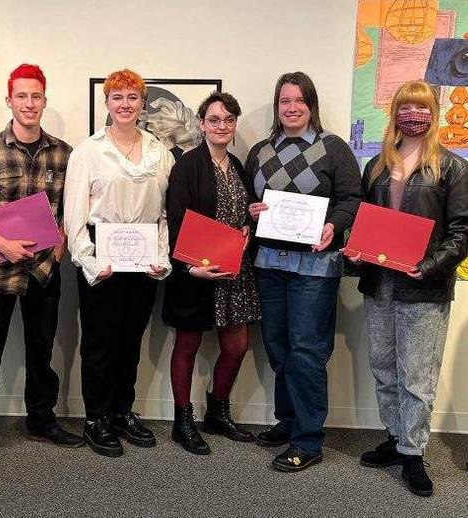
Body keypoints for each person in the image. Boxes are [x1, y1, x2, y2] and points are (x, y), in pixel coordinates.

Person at [0, 63, 84, 469]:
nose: (29, 103)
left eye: (36, 96)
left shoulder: (65, 153)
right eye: (22, 96)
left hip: (45, 272)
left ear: (45, 100)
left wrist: (65, 236)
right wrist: (1, 242)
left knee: (41, 352)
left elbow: (73, 207)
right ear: (9, 100)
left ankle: (41, 420)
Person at [349, 80, 468, 497]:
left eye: (421, 108)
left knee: (417, 375)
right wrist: (354, 247)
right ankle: (395, 437)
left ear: (433, 113)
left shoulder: (452, 167)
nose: (412, 115)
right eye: (405, 108)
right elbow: (364, 221)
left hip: (424, 288)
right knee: (384, 368)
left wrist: (429, 266)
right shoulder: (377, 166)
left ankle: (414, 452)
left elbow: (461, 231)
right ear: (395, 113)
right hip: (379, 284)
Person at [245, 72, 361, 471]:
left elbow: (352, 198)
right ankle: (289, 420)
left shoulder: (333, 149)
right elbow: (249, 199)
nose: (292, 108)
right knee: (278, 347)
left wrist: (335, 224)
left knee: (308, 351)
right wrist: (252, 210)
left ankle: (308, 440)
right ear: (277, 107)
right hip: (270, 264)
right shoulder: (260, 150)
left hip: (315, 266)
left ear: (311, 105)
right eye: (284, 101)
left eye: (299, 101)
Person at [64, 69, 174, 457]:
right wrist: (89, 261)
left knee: (130, 340)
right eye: (117, 98)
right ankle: (97, 418)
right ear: (107, 103)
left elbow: (164, 214)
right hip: (102, 253)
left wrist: (161, 257)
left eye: (132, 97)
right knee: (99, 341)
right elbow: (73, 214)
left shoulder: (161, 153)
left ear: (142, 103)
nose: (125, 105)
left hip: (143, 257)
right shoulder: (88, 152)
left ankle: (122, 411)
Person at [162, 92, 261, 455]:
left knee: (237, 347)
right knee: (186, 345)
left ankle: (217, 412)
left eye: (229, 120)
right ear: (202, 124)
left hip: (234, 272)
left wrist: (251, 225)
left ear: (235, 125)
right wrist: (190, 267)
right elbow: (176, 219)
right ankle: (182, 420)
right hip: (195, 273)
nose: (222, 126)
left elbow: (243, 212)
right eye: (215, 119)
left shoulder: (238, 165)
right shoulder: (187, 165)